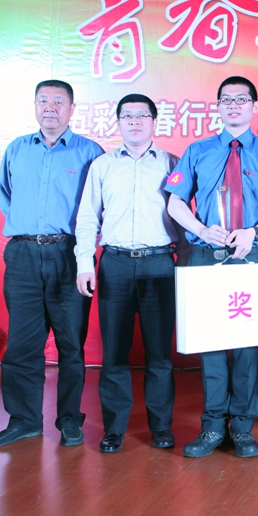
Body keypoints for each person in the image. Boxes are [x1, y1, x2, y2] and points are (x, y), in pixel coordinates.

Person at [165, 75, 258, 459]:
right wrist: (200, 230)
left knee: (246, 348)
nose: (234, 105)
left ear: (255, 107)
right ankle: (212, 427)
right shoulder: (198, 151)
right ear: (218, 107)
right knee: (210, 346)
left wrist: (255, 232)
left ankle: (242, 427)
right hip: (206, 257)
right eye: (226, 99)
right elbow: (175, 202)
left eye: (242, 99)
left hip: (249, 257)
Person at [0, 80, 104, 448]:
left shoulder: (89, 152)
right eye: (42, 100)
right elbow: (6, 195)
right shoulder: (17, 149)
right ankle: (24, 420)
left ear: (72, 109)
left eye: (58, 101)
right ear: (35, 105)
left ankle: (69, 420)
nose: (49, 107)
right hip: (22, 254)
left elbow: (99, 206)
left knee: (71, 343)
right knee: (22, 343)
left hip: (69, 254)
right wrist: (30, 230)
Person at [74, 94, 182, 454]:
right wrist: (85, 264)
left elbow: (185, 214)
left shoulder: (172, 164)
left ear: (154, 121)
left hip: (160, 263)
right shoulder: (103, 165)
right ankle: (114, 429)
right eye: (127, 116)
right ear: (118, 122)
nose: (134, 122)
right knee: (114, 353)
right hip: (115, 264)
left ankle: (161, 427)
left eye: (142, 116)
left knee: (160, 354)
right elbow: (87, 217)